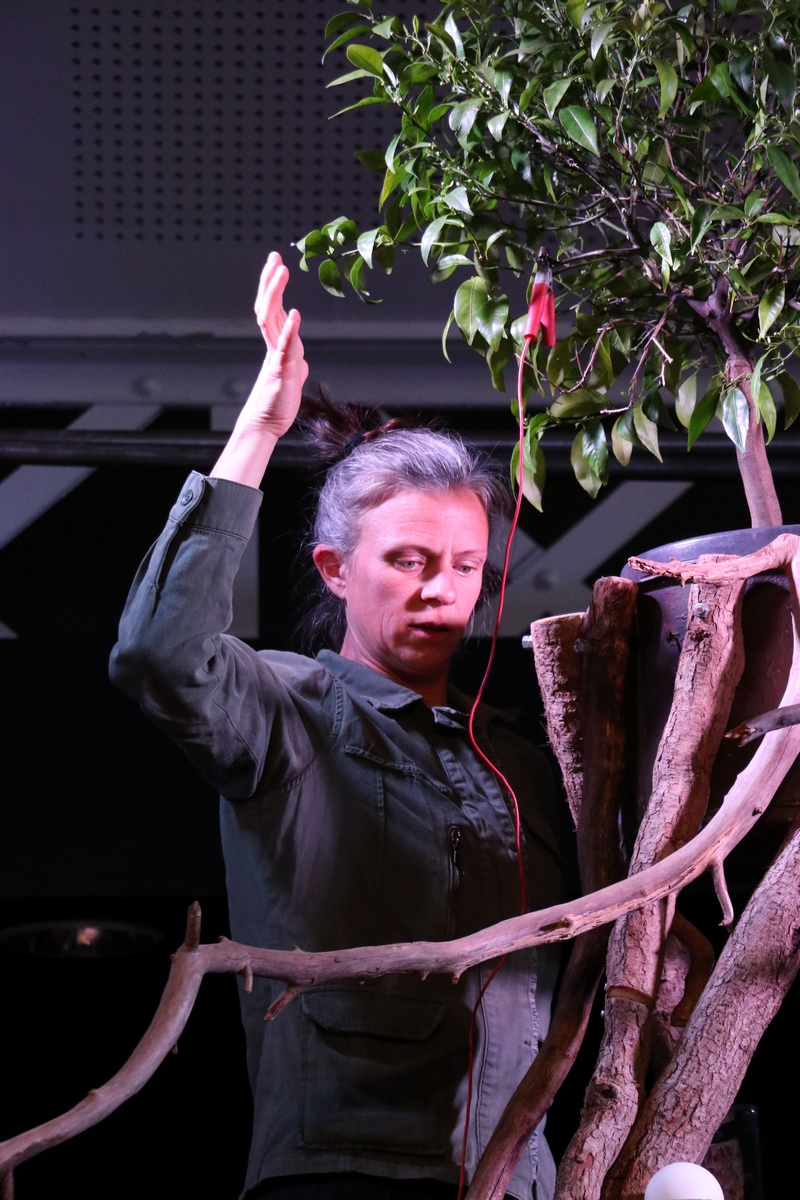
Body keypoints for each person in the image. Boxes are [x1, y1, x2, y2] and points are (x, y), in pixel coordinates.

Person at [110, 253, 567, 1200]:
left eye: (465, 566)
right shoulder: (289, 712)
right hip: (346, 1173)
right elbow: (158, 652)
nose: (442, 590)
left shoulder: (522, 762)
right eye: (408, 560)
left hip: (521, 1181)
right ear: (335, 569)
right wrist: (258, 429)